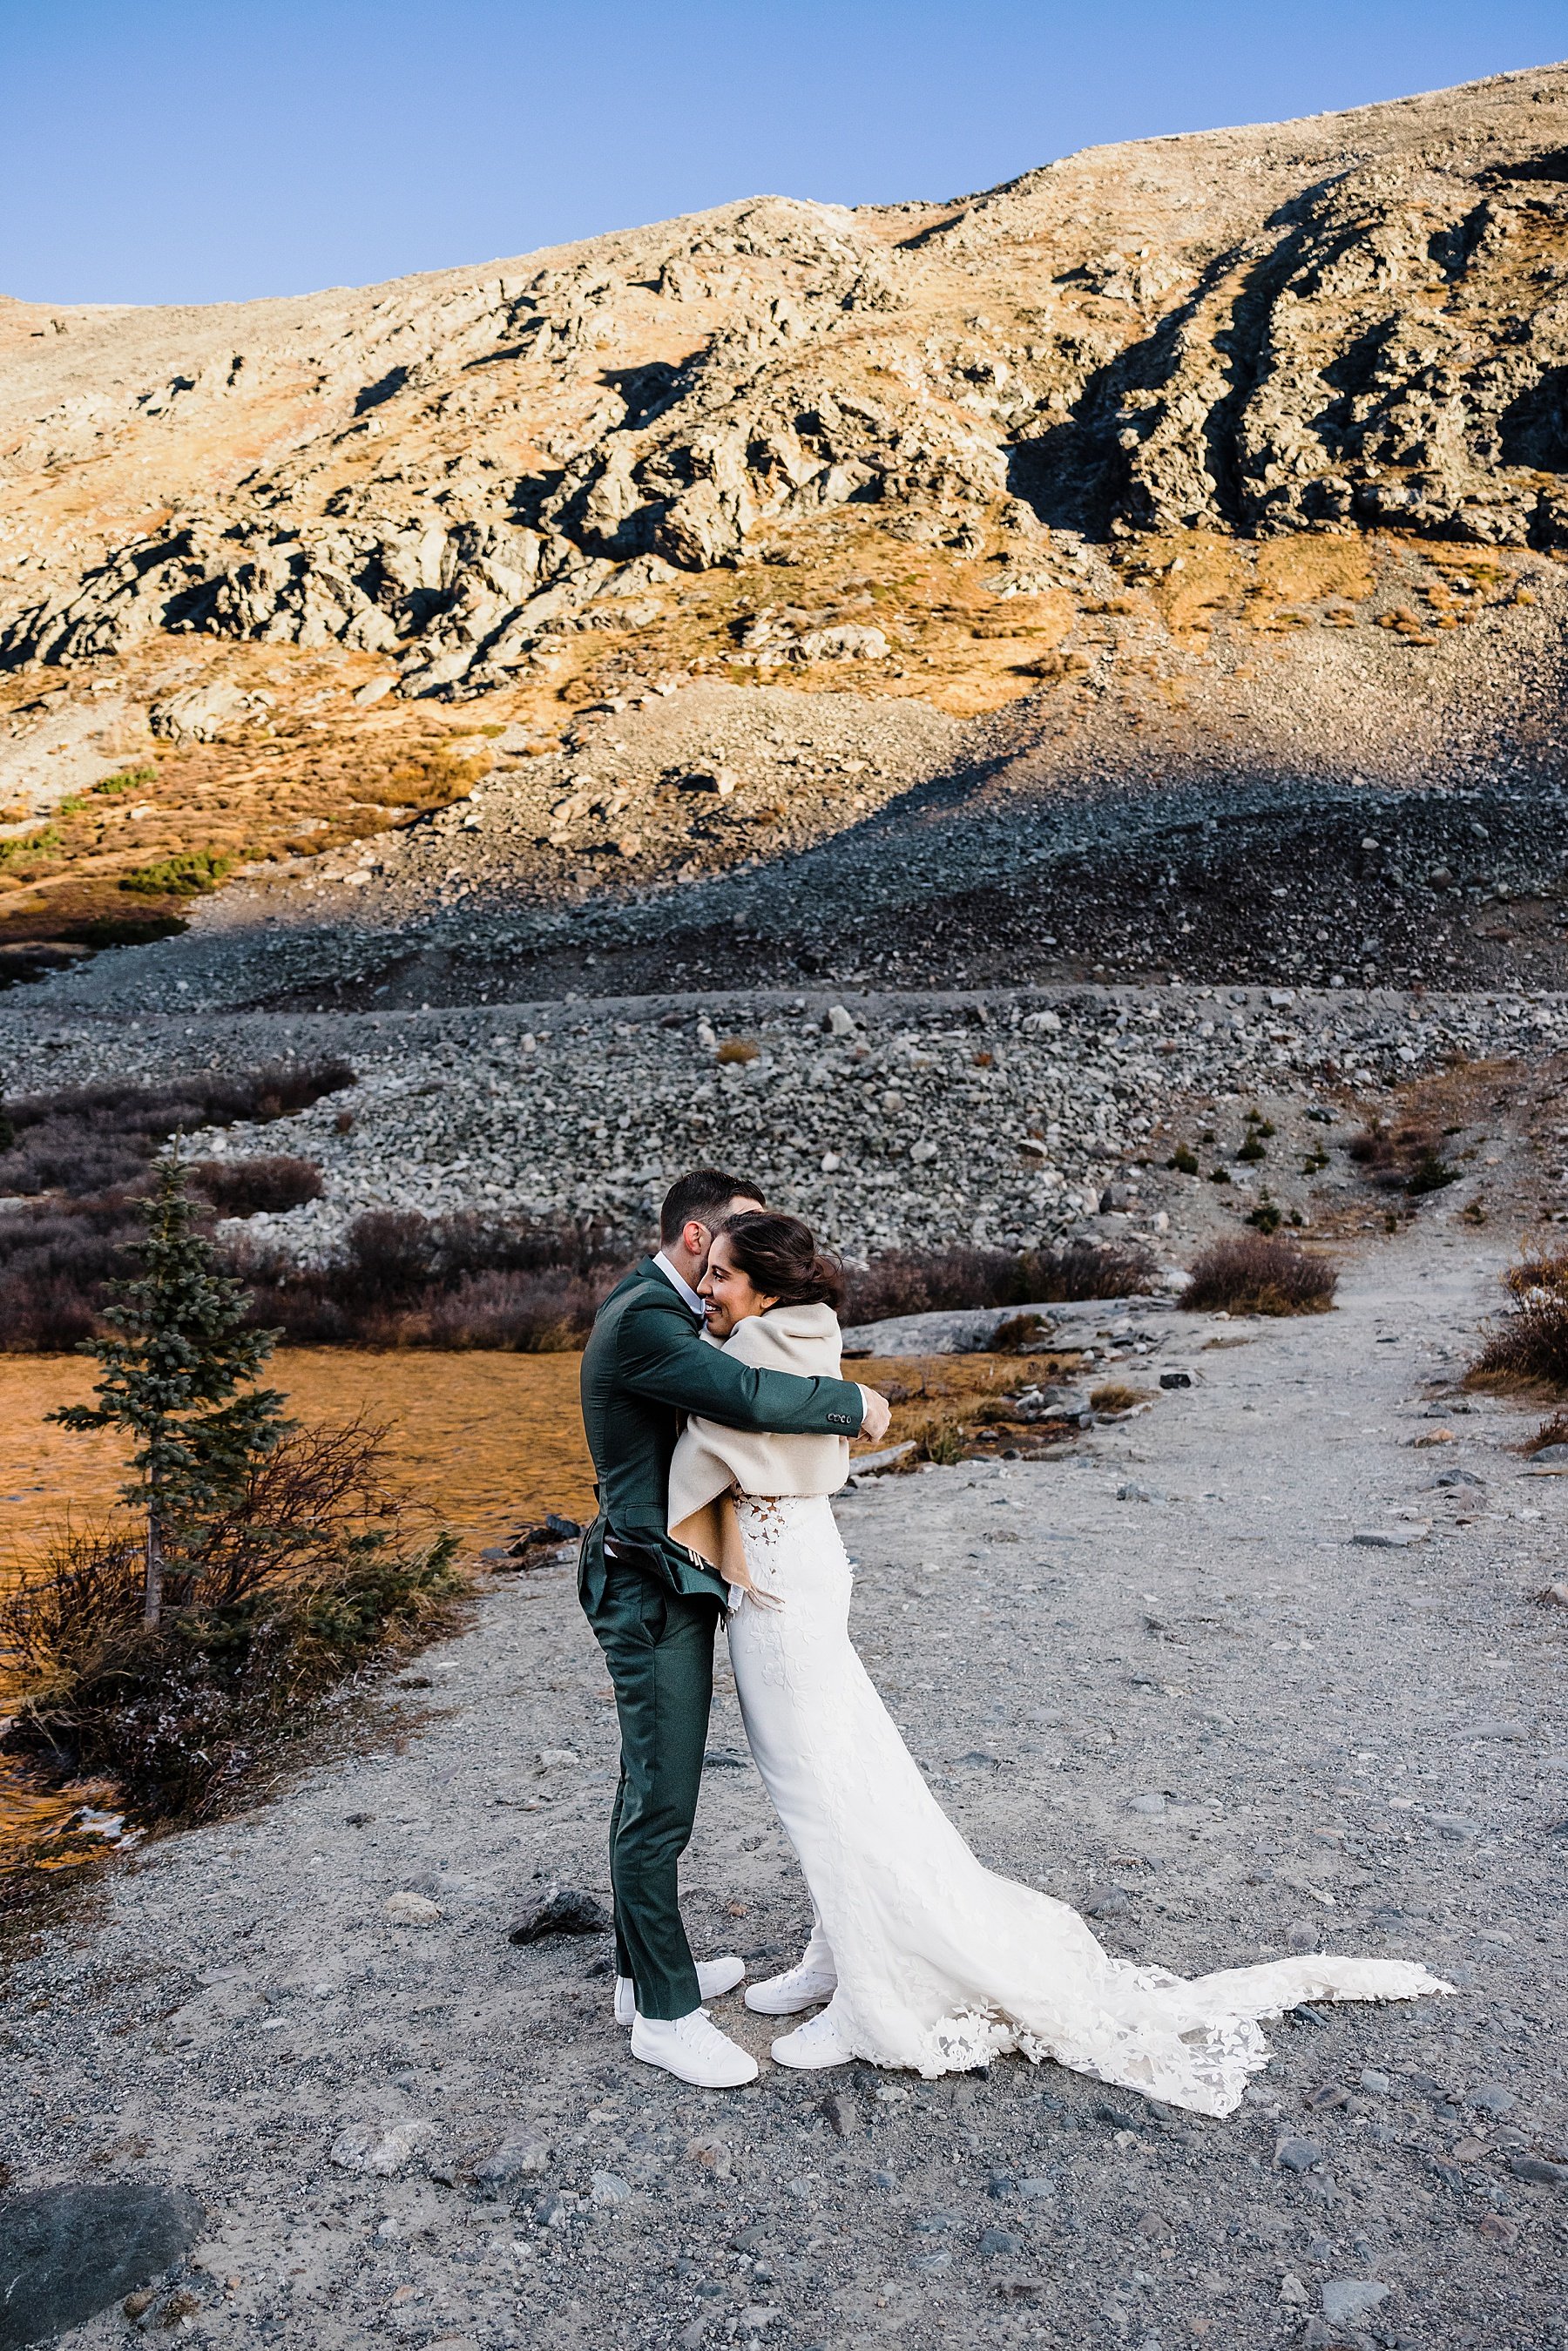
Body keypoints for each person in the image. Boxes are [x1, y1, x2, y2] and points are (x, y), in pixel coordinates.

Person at [670, 1209, 1452, 2118]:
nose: (706, 1288)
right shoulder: (793, 1329)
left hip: (783, 1593)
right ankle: (840, 1946)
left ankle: (873, 1996)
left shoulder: (760, 1348)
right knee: (848, 1768)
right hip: (796, 1569)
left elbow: (727, 1418)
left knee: (814, 1781)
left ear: (766, 1285)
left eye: (722, 1275)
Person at [577, 1169, 892, 2091]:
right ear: (693, 1240)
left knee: (653, 1786)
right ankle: (666, 2019)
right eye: (733, 1241)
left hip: (668, 1574)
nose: (742, 1261)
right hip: (644, 1582)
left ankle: (646, 1974)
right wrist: (856, 1405)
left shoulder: (669, 1308)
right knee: (660, 1798)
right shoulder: (647, 1317)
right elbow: (748, 1394)